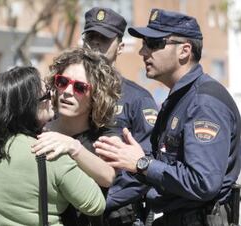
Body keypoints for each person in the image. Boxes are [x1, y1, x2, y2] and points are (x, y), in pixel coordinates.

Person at [95, 8, 241, 226]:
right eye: (144, 44)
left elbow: (203, 182)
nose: (143, 52)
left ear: (184, 51)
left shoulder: (203, 102)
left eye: (154, 44)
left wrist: (142, 163)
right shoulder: (180, 99)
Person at [0, 66, 105, 226]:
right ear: (28, 107)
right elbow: (95, 204)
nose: (53, 97)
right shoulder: (49, 151)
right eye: (46, 95)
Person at [82, 7, 159, 225]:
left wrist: (100, 200)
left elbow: (147, 163)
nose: (96, 43)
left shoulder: (138, 99)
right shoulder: (68, 93)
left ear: (120, 47)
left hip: (118, 214)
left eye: (104, 38)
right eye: (91, 37)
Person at [31, 47, 121, 225]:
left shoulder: (105, 136)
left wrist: (73, 146)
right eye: (62, 81)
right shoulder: (39, 130)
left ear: (97, 95)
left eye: (80, 87)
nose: (68, 91)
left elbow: (108, 176)